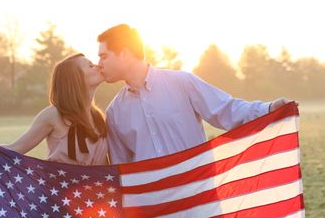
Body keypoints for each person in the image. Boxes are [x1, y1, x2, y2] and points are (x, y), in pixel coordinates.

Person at [97, 24, 296, 164]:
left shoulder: (182, 83)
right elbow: (121, 169)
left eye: (104, 56)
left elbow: (226, 110)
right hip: (154, 211)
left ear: (124, 54)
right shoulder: (115, 112)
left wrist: (269, 109)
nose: (99, 64)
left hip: (198, 200)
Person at [0, 53, 108, 165]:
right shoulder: (54, 115)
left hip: (91, 200)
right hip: (58, 198)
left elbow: (107, 167)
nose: (98, 66)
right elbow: (16, 148)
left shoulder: (99, 118)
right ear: (75, 78)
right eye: (90, 65)